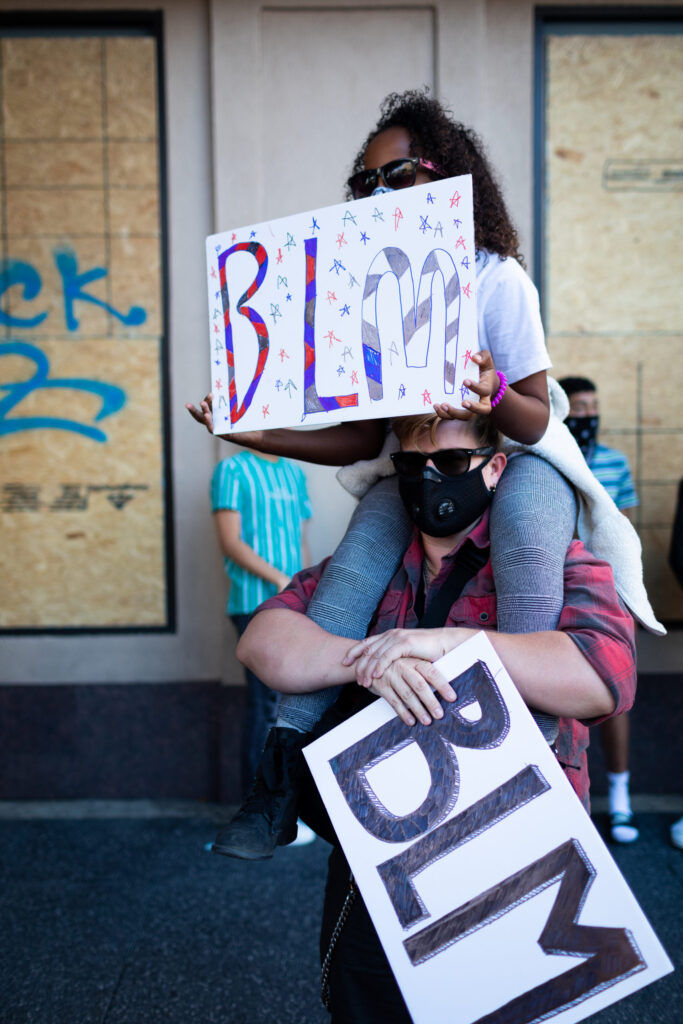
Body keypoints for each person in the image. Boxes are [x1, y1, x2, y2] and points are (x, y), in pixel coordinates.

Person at [188, 89, 660, 862]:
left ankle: (525, 759)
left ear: (446, 176)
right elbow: (361, 440)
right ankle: (276, 782)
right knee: (353, 571)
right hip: (408, 465)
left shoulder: (491, 275)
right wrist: (249, 429)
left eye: (397, 173)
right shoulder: (361, 291)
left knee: (529, 568)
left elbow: (538, 417)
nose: (379, 193)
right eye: (365, 182)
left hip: (520, 462)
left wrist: (493, 395)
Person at [237, 412, 637, 1021]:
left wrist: (450, 645)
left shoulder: (551, 559)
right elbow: (263, 642)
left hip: (516, 856)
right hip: (381, 867)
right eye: (411, 465)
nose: (431, 480)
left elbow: (601, 678)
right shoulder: (364, 572)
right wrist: (368, 659)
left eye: (451, 464)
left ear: (494, 467)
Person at [210, 447, 314, 845]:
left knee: (284, 706)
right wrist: (279, 579)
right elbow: (230, 541)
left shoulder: (293, 472)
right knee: (266, 704)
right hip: (254, 603)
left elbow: (300, 541)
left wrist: (303, 588)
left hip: (292, 603)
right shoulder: (231, 470)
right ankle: (260, 816)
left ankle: (277, 812)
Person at [559, 376, 639, 845]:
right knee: (564, 699)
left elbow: (622, 535)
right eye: (579, 407)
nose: (588, 415)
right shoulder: (548, 458)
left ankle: (621, 797)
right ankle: (571, 804)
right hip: (558, 591)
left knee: (613, 698)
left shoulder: (615, 463)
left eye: (594, 406)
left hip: (606, 596)